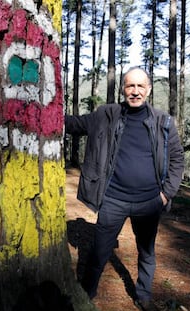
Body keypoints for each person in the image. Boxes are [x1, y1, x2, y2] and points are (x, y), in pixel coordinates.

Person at [65, 67, 184, 311]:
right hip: (113, 200)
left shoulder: (163, 122)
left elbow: (177, 158)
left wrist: (165, 195)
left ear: (149, 89)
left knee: (146, 252)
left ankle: (143, 295)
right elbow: (75, 124)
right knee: (99, 250)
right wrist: (40, 113)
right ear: (123, 89)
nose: (135, 91)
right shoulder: (107, 115)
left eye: (141, 86)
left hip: (150, 201)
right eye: (131, 86)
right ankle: (87, 292)